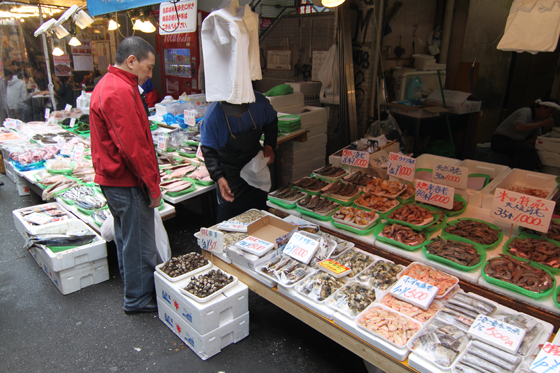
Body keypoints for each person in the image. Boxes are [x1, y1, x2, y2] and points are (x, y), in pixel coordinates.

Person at [89, 36, 160, 315]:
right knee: (139, 241)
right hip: (127, 181)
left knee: (127, 238)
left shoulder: (112, 84)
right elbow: (133, 146)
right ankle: (139, 298)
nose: (150, 74)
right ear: (132, 61)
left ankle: (133, 287)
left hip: (115, 179)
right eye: (149, 67)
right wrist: (152, 186)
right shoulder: (119, 90)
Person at [200, 92, 278, 222]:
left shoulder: (259, 102)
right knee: (229, 213)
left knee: (260, 206)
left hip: (254, 162)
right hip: (229, 168)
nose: (237, 114)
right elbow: (208, 150)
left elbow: (271, 122)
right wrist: (218, 176)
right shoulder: (212, 116)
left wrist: (270, 146)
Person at [491, 98, 559, 170]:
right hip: (501, 141)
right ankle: (522, 172)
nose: (550, 115)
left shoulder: (537, 119)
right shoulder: (526, 111)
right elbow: (518, 127)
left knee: (535, 148)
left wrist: (534, 139)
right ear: (542, 107)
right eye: (550, 112)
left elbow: (537, 134)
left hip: (516, 142)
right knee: (527, 150)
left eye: (552, 113)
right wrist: (542, 124)